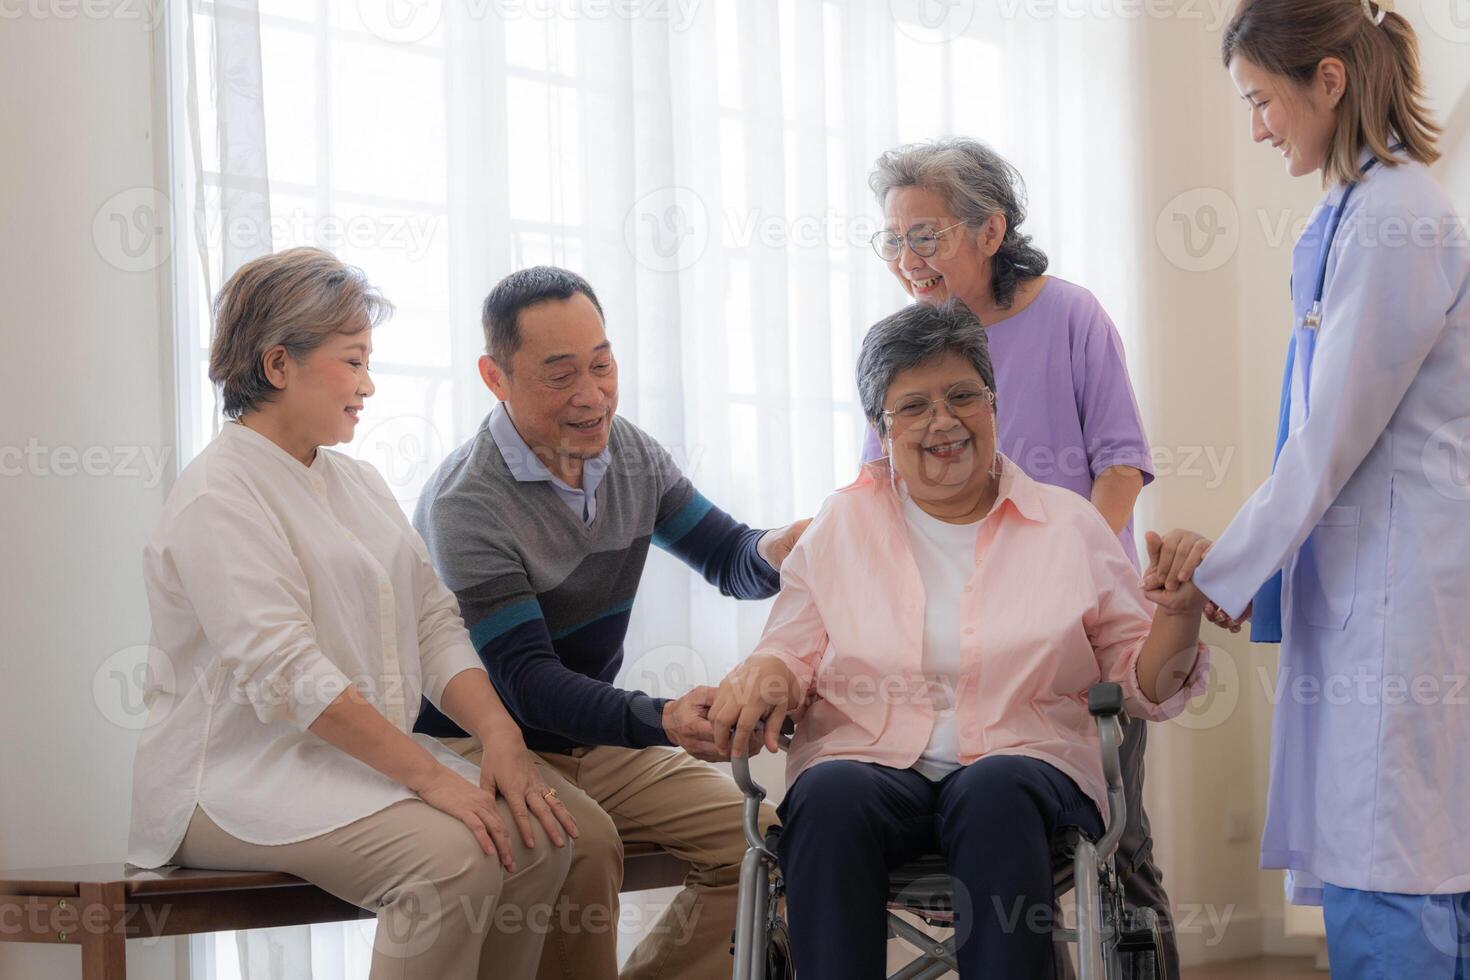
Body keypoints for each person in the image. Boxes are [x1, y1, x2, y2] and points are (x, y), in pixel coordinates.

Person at [710, 301, 1210, 979]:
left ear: (993, 404)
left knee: (995, 788)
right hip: (871, 763)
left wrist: (1181, 613)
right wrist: (768, 671)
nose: (942, 421)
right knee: (828, 796)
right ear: (880, 430)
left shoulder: (1068, 527)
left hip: (1028, 768)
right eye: (913, 406)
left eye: (962, 396)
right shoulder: (842, 525)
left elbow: (1145, 683)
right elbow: (787, 649)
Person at [127, 247, 575, 980]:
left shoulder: (357, 483)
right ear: (278, 366)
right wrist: (433, 780)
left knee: (539, 840)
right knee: (455, 862)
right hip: (227, 781)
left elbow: (432, 620)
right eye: (352, 361)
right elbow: (289, 674)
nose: (368, 385)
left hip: (340, 762)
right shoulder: (220, 495)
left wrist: (498, 734)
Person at [1146, 1, 1470, 975]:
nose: (1257, 125)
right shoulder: (1353, 211)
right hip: (1371, 581)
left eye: (1262, 99)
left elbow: (1326, 440)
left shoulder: (1402, 216)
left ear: (1328, 79)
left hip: (1401, 592)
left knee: (1391, 853)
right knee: (1389, 846)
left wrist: (1221, 576)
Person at [411, 266, 808, 980]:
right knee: (584, 844)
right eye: (560, 375)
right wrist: (662, 718)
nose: (592, 396)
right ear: (494, 377)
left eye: (602, 364)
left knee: (759, 840)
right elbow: (528, 683)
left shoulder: (629, 454)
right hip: (479, 743)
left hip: (586, 741)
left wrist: (779, 548)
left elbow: (729, 558)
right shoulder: (467, 503)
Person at [864, 136, 1179, 978]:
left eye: (924, 235)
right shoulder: (905, 345)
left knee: (1121, 845)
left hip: (1072, 625)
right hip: (957, 630)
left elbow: (1120, 463)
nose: (906, 258)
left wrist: (1065, 561)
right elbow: (876, 489)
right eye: (892, 240)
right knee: (992, 827)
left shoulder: (1070, 315)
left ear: (990, 228)